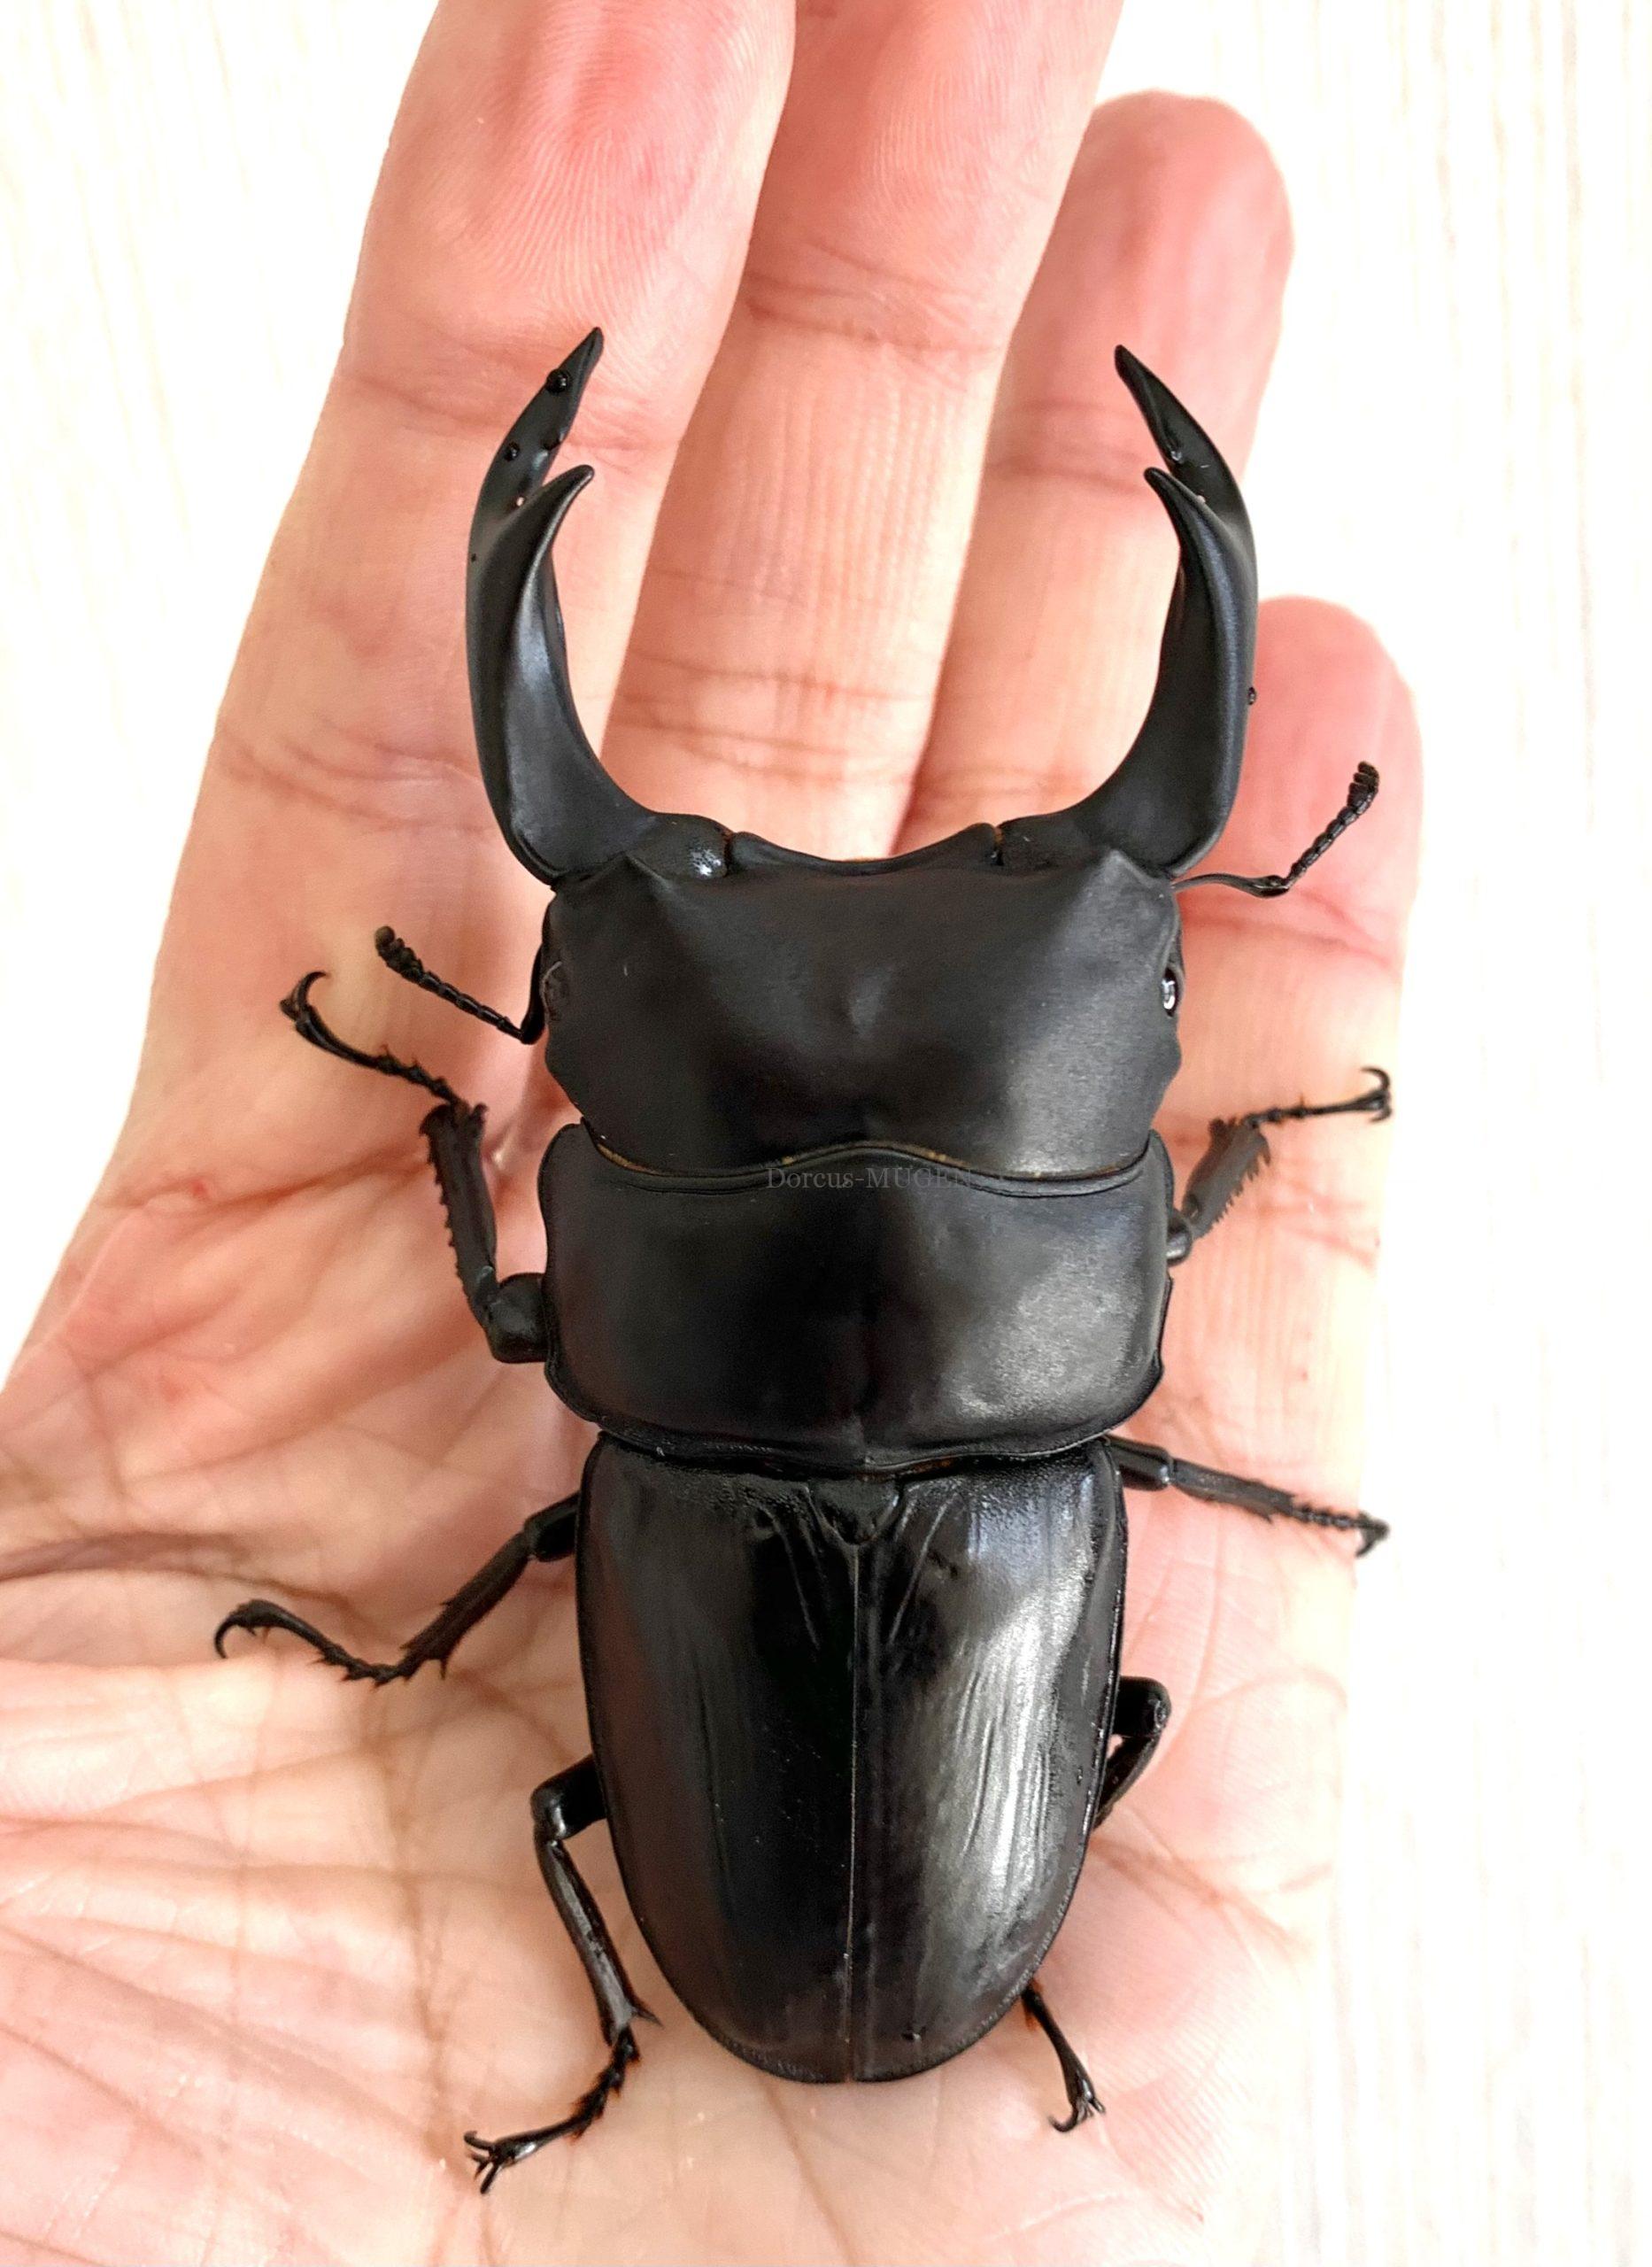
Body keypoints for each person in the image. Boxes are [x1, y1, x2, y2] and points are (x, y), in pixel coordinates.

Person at [0, 2, 1418, 2257]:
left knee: (566, 1764)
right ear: (1106, 1241)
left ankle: (603, 2023)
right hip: (952, 1905)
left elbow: (516, 1316)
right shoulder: (1081, 1406)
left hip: (837, 1855)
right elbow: (1118, 1616)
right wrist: (1236, 1148)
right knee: (1077, 1694)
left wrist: (438, 1106)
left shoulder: (635, 1436)